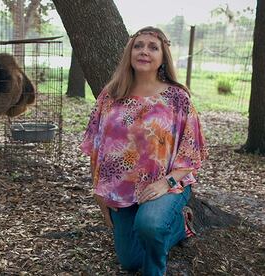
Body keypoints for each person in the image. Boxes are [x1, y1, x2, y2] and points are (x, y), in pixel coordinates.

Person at [80, 26, 207, 276]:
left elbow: (191, 152)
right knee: (130, 261)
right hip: (121, 188)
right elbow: (96, 145)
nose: (144, 51)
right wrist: (98, 190)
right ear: (129, 53)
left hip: (165, 184)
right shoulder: (111, 94)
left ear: (163, 57)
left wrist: (166, 182)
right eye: (138, 46)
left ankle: (157, 261)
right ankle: (179, 228)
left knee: (149, 225)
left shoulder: (177, 97)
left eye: (152, 47)